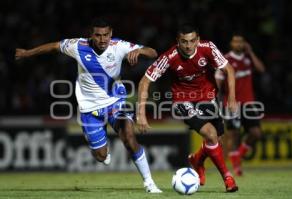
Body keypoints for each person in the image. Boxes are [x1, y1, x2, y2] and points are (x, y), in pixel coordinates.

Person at [15, 18, 162, 193]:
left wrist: (139, 51)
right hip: (89, 109)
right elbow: (54, 46)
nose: (102, 39)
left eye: (106, 35)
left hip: (115, 102)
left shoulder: (119, 46)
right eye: (98, 35)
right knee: (100, 156)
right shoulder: (78, 46)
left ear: (111, 33)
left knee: (129, 137)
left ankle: (149, 182)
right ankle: (102, 152)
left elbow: (153, 53)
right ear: (91, 35)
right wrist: (27, 53)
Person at [137, 23, 238, 192]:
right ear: (178, 41)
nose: (188, 45)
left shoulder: (208, 48)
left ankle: (197, 160)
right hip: (182, 101)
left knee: (216, 140)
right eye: (184, 41)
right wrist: (141, 113)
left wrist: (232, 97)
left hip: (208, 97)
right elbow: (145, 81)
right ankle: (228, 178)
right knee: (211, 134)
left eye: (192, 41)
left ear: (198, 40)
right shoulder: (169, 57)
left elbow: (229, 69)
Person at [215, 34, 265, 176]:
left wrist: (251, 52)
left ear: (244, 44)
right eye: (235, 41)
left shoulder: (248, 58)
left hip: (249, 103)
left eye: (240, 42)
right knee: (233, 135)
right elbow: (217, 83)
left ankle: (238, 155)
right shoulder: (225, 60)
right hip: (232, 103)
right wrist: (216, 102)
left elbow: (261, 69)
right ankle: (236, 167)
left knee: (256, 133)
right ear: (231, 44)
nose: (238, 44)